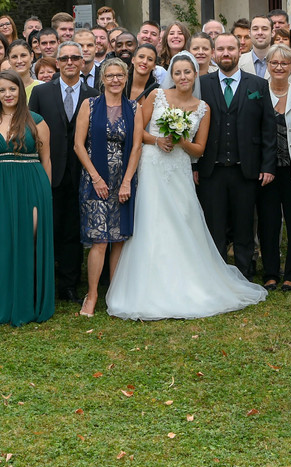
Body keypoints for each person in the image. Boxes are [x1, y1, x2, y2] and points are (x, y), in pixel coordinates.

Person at [105, 53, 268, 320]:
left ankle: (187, 282)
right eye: (178, 72)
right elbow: (139, 132)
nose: (182, 77)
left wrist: (180, 139)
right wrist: (158, 140)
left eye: (187, 72)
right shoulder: (157, 96)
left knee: (182, 220)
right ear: (172, 74)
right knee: (151, 222)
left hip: (179, 168)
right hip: (153, 167)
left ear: (195, 75)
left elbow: (200, 149)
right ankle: (149, 285)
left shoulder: (203, 107)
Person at [197, 33, 276, 281]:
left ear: (240, 51)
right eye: (220, 49)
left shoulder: (258, 85)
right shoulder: (202, 84)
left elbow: (268, 129)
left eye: (231, 48)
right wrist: (194, 166)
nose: (226, 53)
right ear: (213, 53)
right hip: (212, 169)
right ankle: (216, 273)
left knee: (244, 224)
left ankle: (244, 271)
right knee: (215, 225)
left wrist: (268, 165)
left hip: (246, 169)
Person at [31, 40, 98, 301]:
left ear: (82, 63)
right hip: (48, 171)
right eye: (64, 58)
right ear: (57, 63)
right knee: (47, 229)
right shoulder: (41, 93)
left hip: (80, 174)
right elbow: (32, 129)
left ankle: (69, 284)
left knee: (73, 230)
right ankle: (43, 281)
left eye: (75, 58)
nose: (70, 62)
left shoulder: (93, 95)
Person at [74, 57, 140, 316]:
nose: (115, 80)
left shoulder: (134, 108)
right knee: (100, 240)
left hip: (122, 180)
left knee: (119, 238)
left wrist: (126, 182)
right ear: (102, 79)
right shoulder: (89, 105)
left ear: (125, 79)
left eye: (119, 76)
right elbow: (79, 145)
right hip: (95, 179)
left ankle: (116, 293)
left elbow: (135, 147)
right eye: (110, 75)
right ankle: (92, 295)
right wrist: (96, 178)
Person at [259, 45, 291, 290]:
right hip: (267, 170)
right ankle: (271, 272)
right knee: (269, 221)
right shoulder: (259, 92)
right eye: (274, 63)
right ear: (267, 65)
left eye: (284, 63)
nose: (278, 67)